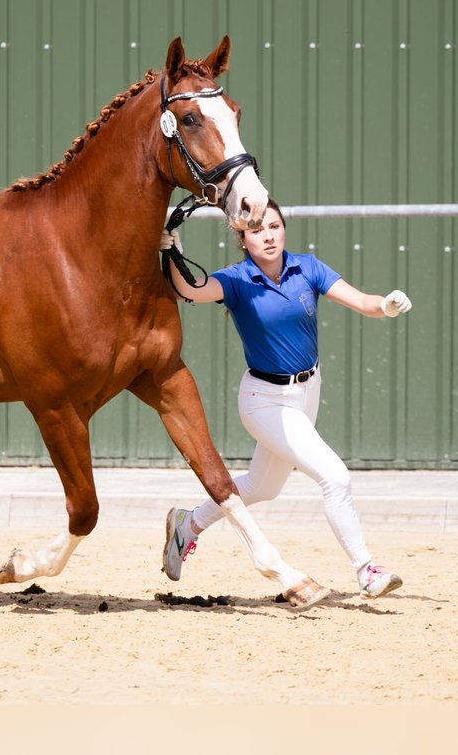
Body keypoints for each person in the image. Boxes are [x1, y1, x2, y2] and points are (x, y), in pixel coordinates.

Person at [159, 199, 412, 599]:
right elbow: (188, 288)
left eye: (274, 226)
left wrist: (385, 305)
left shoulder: (307, 268)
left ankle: (187, 524)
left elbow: (363, 302)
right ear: (242, 238)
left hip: (307, 390)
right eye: (258, 230)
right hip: (265, 399)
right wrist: (169, 247)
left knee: (262, 487)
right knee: (335, 476)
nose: (269, 235)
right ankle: (366, 570)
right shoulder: (238, 279)